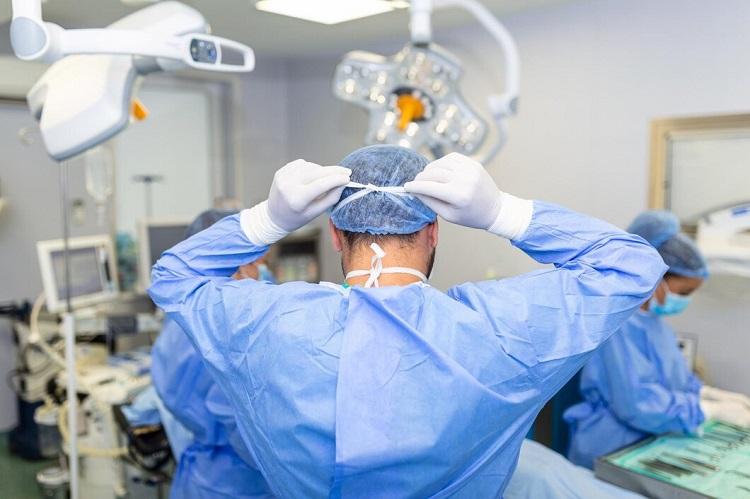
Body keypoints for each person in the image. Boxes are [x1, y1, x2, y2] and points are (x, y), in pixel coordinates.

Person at [149, 145, 666, 497]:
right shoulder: (502, 332)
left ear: (333, 234)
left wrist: (268, 220)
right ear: (435, 231)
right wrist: (502, 212)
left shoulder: (266, 323)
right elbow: (632, 265)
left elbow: (172, 276)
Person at [565, 210, 750, 470]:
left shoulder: (655, 325)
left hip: (649, 439)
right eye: (684, 292)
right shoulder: (616, 325)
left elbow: (675, 381)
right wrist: (707, 411)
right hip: (609, 448)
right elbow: (636, 404)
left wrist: (707, 394)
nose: (685, 301)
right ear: (655, 276)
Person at [150, 209, 274, 499]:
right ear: (236, 264)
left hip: (201, 477)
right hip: (243, 484)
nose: (260, 270)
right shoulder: (231, 332)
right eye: (255, 261)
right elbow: (255, 442)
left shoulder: (178, 323)